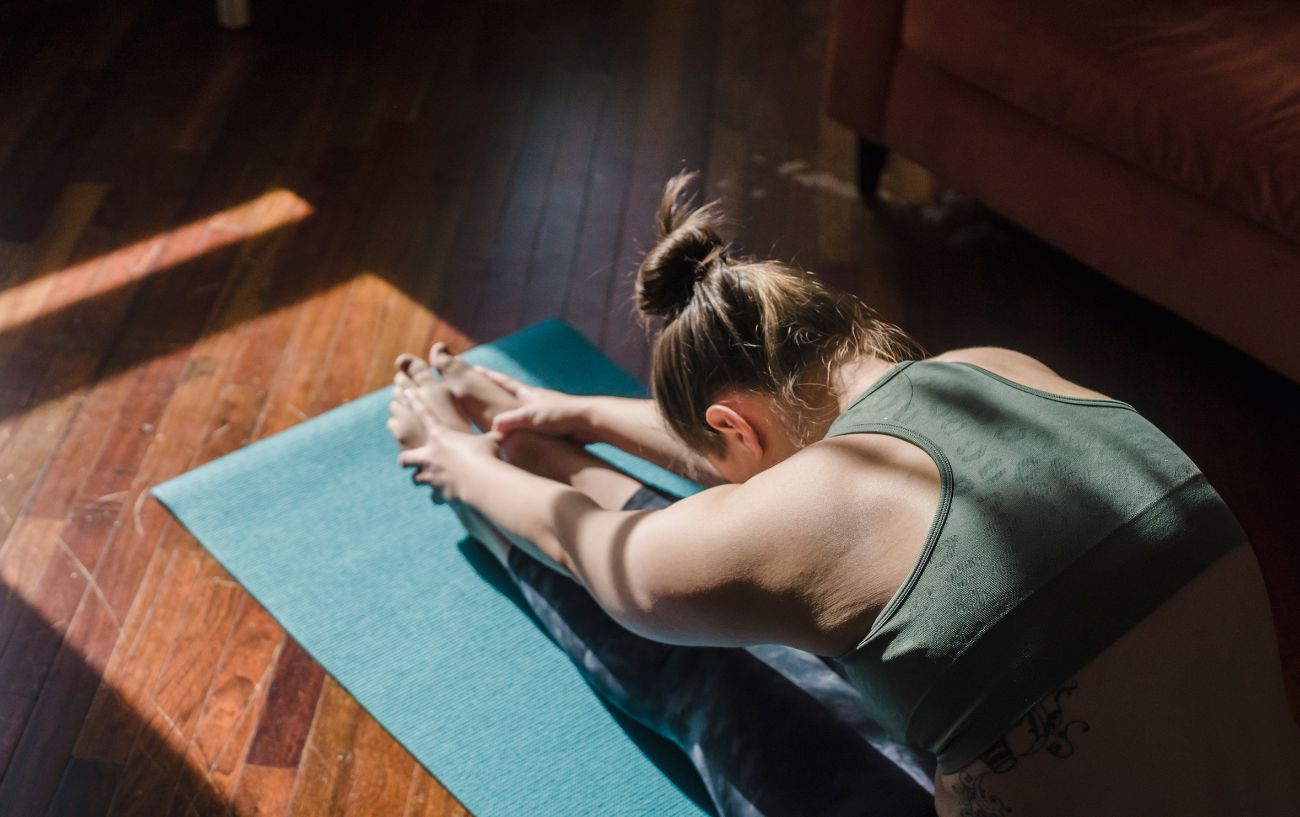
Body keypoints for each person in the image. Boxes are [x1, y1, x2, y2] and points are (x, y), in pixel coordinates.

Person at [386, 171, 1300, 817]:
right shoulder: (998, 370)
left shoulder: (824, 508)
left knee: (720, 667)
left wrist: (454, 461)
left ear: (733, 428)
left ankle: (506, 480)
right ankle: (543, 444)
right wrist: (579, 411)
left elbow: (618, 565)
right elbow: (794, 455)